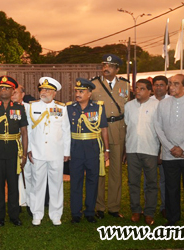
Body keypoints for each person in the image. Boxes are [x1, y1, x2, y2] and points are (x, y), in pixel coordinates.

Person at [154, 74, 184, 226]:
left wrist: (182, 147)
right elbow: (158, 128)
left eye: (176, 83)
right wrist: (171, 148)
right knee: (171, 189)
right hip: (169, 156)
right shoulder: (163, 104)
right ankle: (172, 219)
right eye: (170, 83)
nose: (171, 86)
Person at [0, 76, 28, 227]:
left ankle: (14, 216)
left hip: (14, 150)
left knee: (13, 184)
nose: (3, 90)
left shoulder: (19, 108)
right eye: (1, 88)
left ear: (13, 91)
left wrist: (24, 154)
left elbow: (24, 132)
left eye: (7, 88)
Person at [27, 77, 71, 226]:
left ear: (54, 93)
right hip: (38, 152)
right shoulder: (31, 107)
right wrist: (29, 149)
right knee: (37, 184)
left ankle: (56, 214)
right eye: (42, 89)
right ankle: (37, 214)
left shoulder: (61, 108)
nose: (43, 92)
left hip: (56, 153)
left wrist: (66, 152)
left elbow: (66, 131)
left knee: (56, 184)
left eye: (47, 90)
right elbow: (28, 130)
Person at [90, 54, 130, 219]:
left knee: (116, 171)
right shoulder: (93, 84)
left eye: (110, 66)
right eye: (104, 65)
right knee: (99, 170)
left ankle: (114, 207)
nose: (106, 68)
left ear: (117, 69)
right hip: (99, 130)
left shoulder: (125, 85)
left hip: (119, 129)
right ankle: (99, 207)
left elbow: (128, 109)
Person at [68, 78, 109, 224]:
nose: (78, 94)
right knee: (76, 181)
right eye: (76, 91)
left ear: (89, 93)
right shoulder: (70, 108)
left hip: (93, 148)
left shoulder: (98, 108)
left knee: (93, 180)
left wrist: (106, 149)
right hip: (76, 149)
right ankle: (75, 213)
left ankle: (90, 211)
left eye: (81, 91)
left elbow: (103, 128)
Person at [124, 79, 160, 225]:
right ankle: (136, 211)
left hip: (150, 149)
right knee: (133, 182)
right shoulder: (128, 106)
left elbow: (161, 129)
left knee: (151, 183)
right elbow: (126, 127)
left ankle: (149, 212)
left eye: (142, 88)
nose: (137, 91)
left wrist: (161, 152)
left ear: (150, 91)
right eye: (136, 88)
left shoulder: (157, 106)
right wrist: (125, 151)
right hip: (132, 148)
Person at [150, 75, 169, 218]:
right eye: (156, 85)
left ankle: (165, 206)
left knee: (165, 179)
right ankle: (149, 208)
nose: (158, 87)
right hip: (149, 145)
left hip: (166, 146)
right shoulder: (147, 101)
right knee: (149, 180)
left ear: (167, 86)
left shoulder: (172, 102)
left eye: (161, 85)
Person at [11, 84, 32, 216]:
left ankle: (30, 203)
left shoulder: (30, 108)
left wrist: (29, 149)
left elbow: (32, 129)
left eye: (16, 93)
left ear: (22, 94)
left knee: (29, 176)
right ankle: (17, 203)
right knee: (14, 176)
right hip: (12, 146)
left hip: (26, 146)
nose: (13, 95)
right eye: (11, 93)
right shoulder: (6, 108)